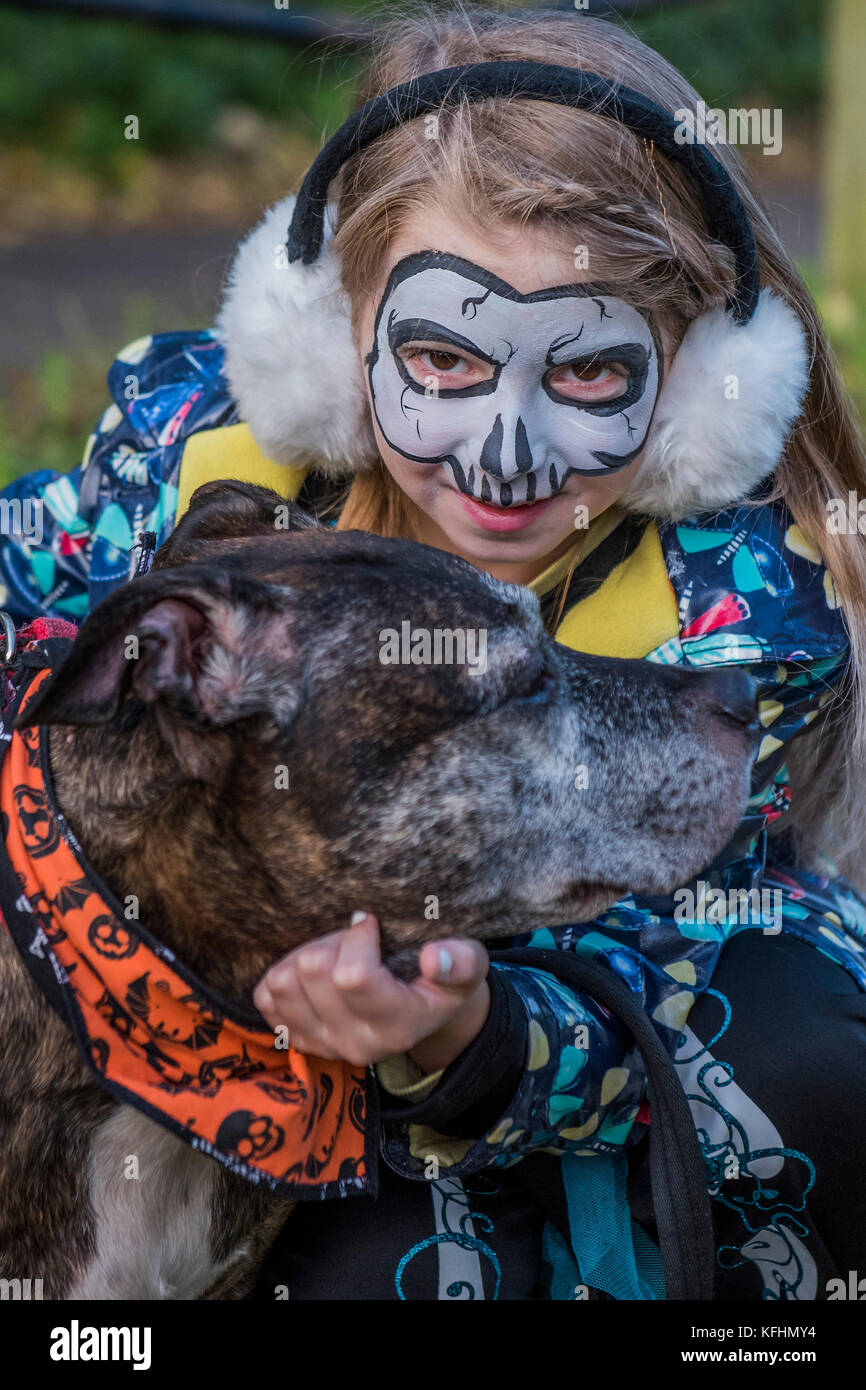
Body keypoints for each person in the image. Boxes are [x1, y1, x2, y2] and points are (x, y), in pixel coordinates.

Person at [3, 6, 866, 1299]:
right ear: (323, 340)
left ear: (699, 381)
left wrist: (483, 1038)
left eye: (581, 376)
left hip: (558, 1097)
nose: (502, 456)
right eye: (440, 356)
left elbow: (748, 951)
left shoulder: (744, 600)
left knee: (807, 1035)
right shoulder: (184, 470)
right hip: (173, 1107)